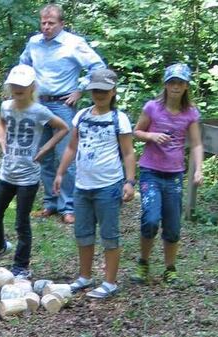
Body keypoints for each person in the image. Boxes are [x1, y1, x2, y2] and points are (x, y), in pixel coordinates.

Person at [53, 68, 136, 299]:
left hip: (109, 185)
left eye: (103, 90)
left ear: (113, 92)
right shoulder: (81, 115)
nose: (99, 94)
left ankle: (109, 282)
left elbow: (128, 153)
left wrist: (130, 182)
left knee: (109, 234)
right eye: (95, 90)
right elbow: (72, 147)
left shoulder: (119, 119)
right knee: (83, 232)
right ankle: (85, 276)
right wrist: (60, 173)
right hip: (82, 185)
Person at [20, 4, 106, 224]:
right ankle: (51, 202)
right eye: (43, 23)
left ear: (61, 24)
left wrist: (81, 88)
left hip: (62, 106)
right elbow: (23, 65)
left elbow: (98, 66)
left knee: (65, 156)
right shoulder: (34, 43)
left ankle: (69, 207)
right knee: (44, 156)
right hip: (38, 104)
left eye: (51, 23)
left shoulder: (74, 44)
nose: (46, 27)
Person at [0, 65, 69, 278]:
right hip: (7, 173)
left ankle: (21, 266)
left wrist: (46, 148)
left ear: (32, 87)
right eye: (15, 85)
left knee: (22, 222)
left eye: (22, 86)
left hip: (28, 176)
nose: (18, 89)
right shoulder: (6, 106)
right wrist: (2, 138)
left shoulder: (38, 110)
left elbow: (63, 127)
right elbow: (1, 122)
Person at [130, 63, 204, 285]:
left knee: (172, 224)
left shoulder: (190, 113)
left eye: (180, 82)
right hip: (150, 172)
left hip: (174, 174)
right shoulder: (152, 107)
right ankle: (143, 263)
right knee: (151, 219)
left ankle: (170, 268)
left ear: (186, 86)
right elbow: (136, 132)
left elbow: (197, 144)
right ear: (165, 84)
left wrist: (198, 169)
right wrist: (152, 136)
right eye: (172, 82)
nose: (176, 86)